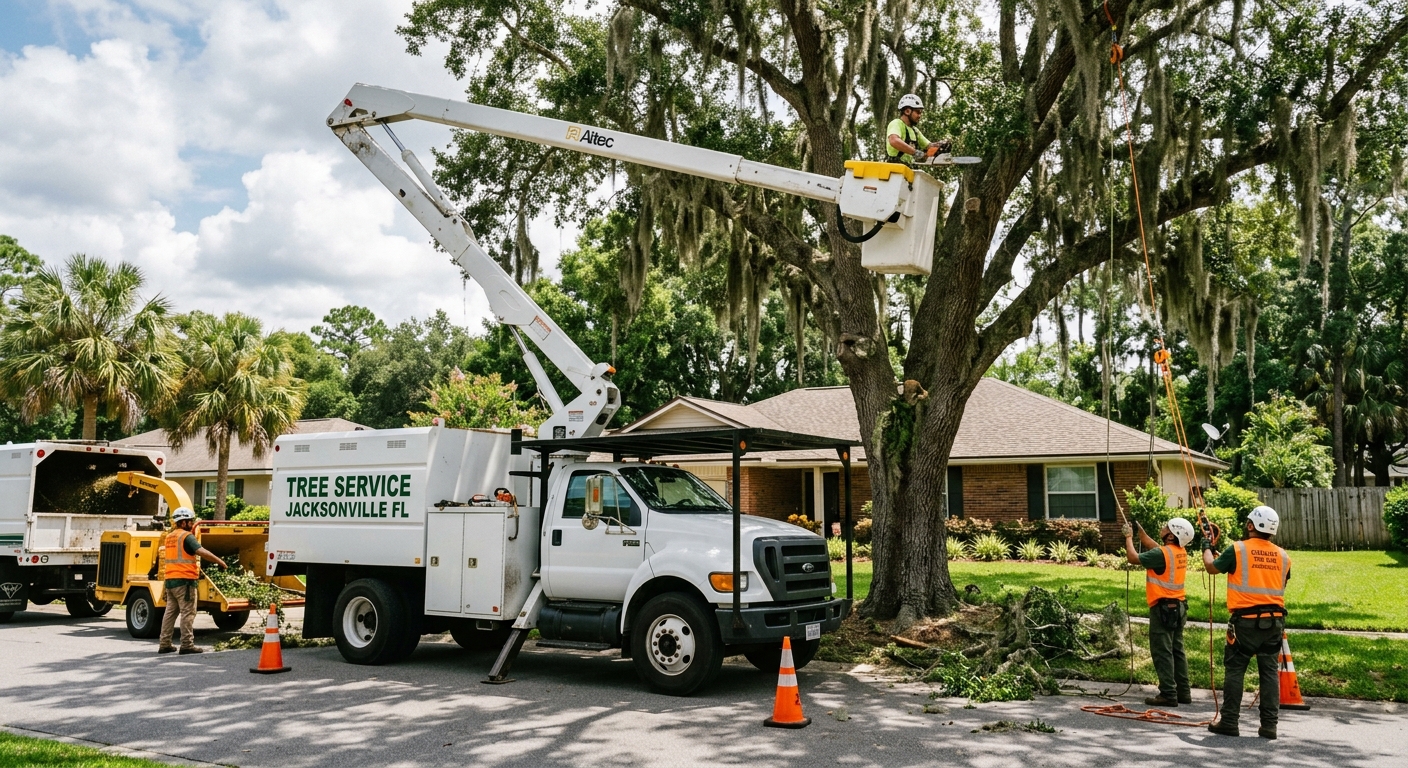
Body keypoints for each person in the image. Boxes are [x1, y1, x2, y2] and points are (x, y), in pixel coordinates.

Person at [1203, 505, 1290, 740]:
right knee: (1269, 672)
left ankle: (1230, 721)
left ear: (1251, 525)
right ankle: (1269, 726)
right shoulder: (1283, 556)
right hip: (1274, 622)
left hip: (1245, 623)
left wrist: (1206, 549)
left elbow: (1212, 567)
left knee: (1235, 669)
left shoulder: (1238, 549)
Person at [1123, 517, 1195, 708]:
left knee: (1162, 652)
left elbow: (1133, 558)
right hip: (1179, 607)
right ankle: (1183, 692)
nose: (1162, 527)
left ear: (1171, 535)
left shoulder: (1162, 554)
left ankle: (1168, 694)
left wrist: (1128, 537)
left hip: (1163, 609)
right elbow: (1155, 547)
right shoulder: (1179, 551)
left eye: (1166, 527)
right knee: (1177, 650)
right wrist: (1141, 532)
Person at [158, 507, 227, 655]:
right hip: (185, 581)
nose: (192, 524)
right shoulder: (186, 536)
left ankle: (164, 644)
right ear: (183, 522)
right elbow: (200, 551)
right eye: (190, 521)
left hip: (170, 580)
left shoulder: (169, 537)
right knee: (188, 613)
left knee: (170, 613)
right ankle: (187, 644)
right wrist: (220, 561)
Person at [886, 94, 949, 165]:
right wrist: (915, 152)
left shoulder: (915, 131)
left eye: (920, 113)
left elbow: (928, 146)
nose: (919, 116)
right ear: (907, 111)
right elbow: (894, 141)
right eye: (917, 112)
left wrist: (940, 145)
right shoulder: (896, 123)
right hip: (893, 168)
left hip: (907, 168)